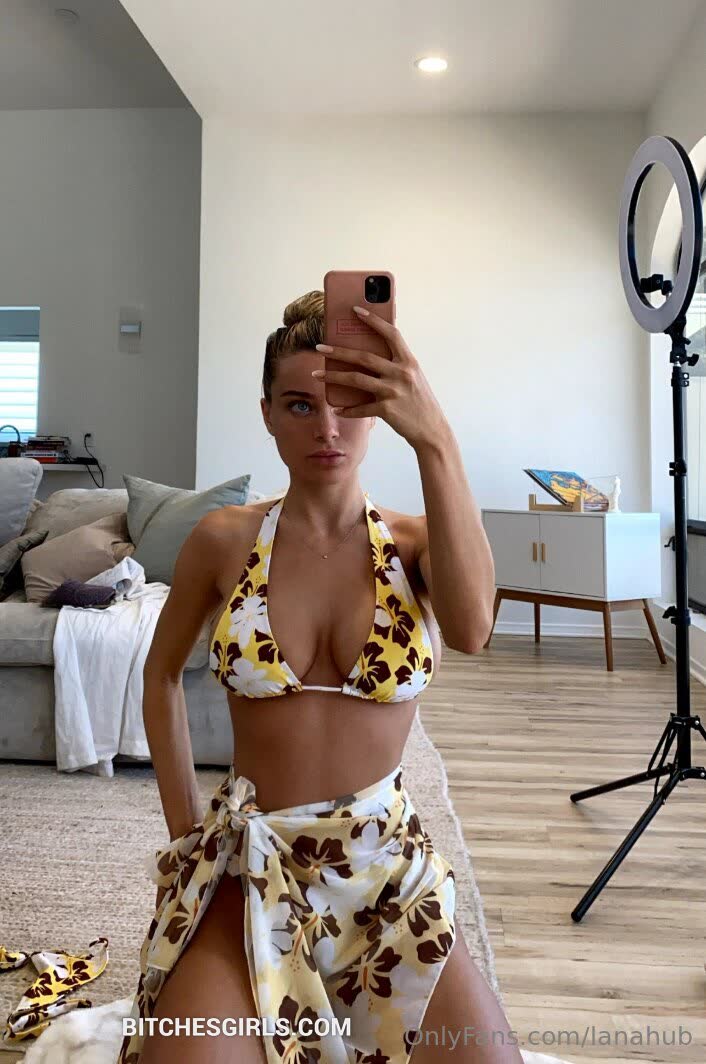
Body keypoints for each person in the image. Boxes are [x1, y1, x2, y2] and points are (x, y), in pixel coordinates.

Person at [119, 291, 519, 1064]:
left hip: (386, 873)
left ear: (378, 409)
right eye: (300, 405)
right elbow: (160, 676)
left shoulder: (416, 545)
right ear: (267, 414)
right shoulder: (223, 540)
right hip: (253, 868)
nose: (326, 429)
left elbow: (473, 631)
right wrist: (185, 843)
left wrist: (435, 436)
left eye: (347, 404)